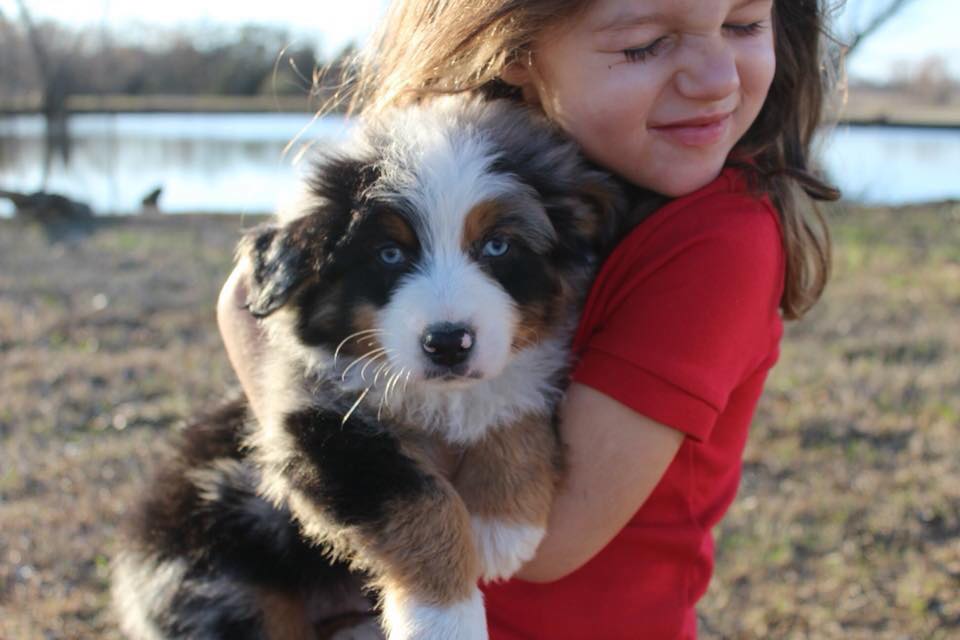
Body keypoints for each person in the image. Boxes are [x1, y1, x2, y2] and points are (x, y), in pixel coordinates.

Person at [217, 0, 841, 637]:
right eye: (645, 43)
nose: (716, 78)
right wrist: (321, 442)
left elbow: (539, 542)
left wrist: (344, 453)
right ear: (517, 50)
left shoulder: (717, 243)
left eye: (742, 25)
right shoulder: (456, 155)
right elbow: (245, 296)